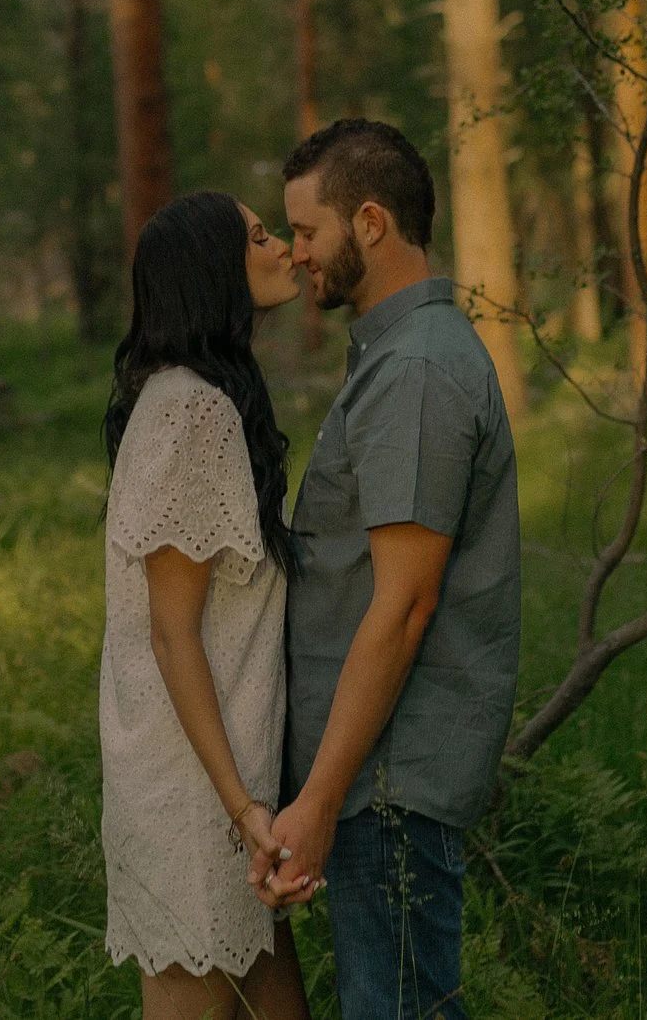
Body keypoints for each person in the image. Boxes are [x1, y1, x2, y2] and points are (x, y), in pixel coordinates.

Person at [256, 119, 523, 1020]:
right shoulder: (395, 355)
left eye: (306, 230)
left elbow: (404, 603)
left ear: (369, 221)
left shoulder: (417, 371)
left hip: (385, 781)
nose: (295, 255)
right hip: (373, 774)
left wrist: (323, 796)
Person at [98, 189, 313, 1020]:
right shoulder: (192, 411)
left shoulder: (195, 397)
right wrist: (243, 808)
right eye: (260, 236)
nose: (284, 247)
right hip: (201, 800)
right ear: (214, 269)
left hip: (223, 793)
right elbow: (171, 633)